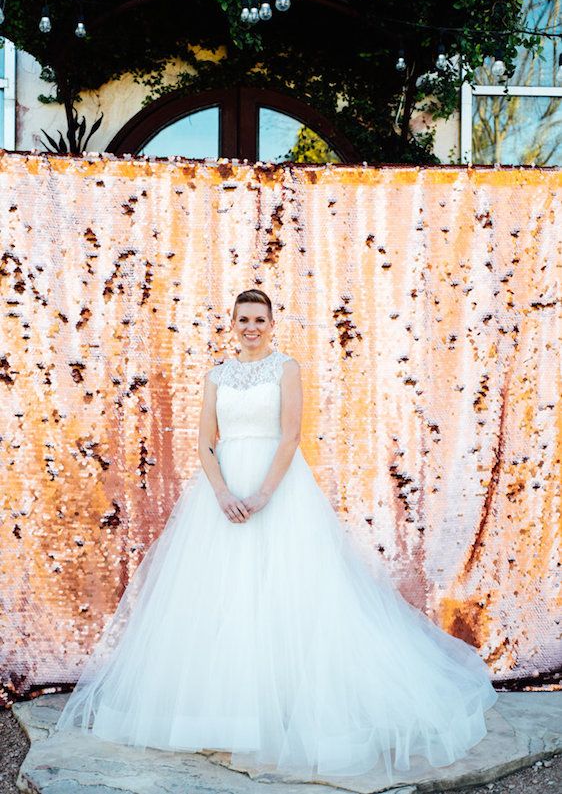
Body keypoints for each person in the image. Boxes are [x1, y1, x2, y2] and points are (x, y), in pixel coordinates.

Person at [55, 287, 498, 783]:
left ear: (271, 323)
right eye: (243, 318)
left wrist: (263, 494)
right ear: (232, 323)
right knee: (220, 597)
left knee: (290, 594)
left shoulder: (286, 369)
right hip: (221, 495)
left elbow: (290, 436)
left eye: (259, 319)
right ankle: (225, 710)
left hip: (278, 489)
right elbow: (205, 442)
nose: (251, 326)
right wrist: (223, 493)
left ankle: (286, 706)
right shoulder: (216, 376)